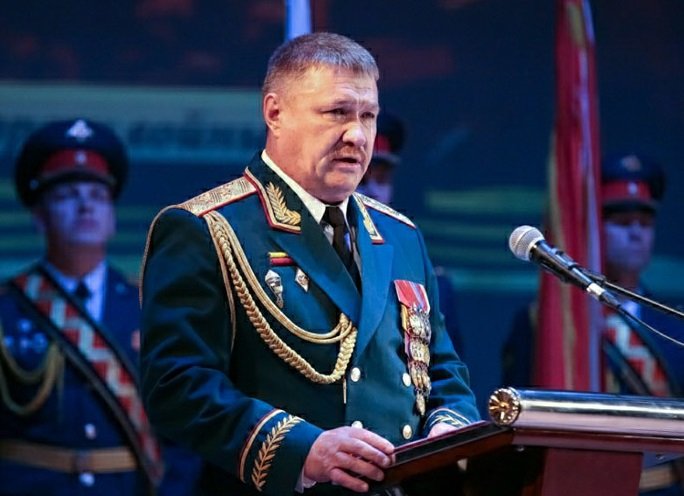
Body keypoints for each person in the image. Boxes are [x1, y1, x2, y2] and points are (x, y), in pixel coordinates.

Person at [140, 32, 480, 496]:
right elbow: (177, 385)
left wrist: (448, 429)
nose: (357, 135)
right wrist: (302, 450)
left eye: (368, 116)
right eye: (337, 112)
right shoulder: (206, 228)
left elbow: (440, 368)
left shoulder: (400, 235)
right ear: (275, 113)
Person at [0, 118, 201, 495]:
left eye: (96, 196)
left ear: (111, 218)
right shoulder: (8, 309)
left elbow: (185, 422)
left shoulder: (151, 307)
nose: (84, 206)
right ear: (39, 217)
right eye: (67, 195)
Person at [501, 152, 684, 495]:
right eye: (622, 223)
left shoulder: (673, 324)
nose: (636, 234)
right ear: (594, 229)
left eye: (644, 224)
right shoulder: (545, 323)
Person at [357, 111, 464, 352]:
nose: (372, 191)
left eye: (382, 179)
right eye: (362, 180)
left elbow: (447, 365)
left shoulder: (428, 278)